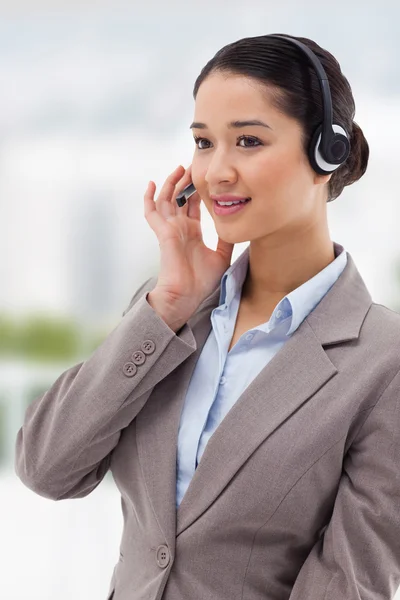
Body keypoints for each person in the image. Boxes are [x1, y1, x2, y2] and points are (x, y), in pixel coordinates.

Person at [14, 33, 400, 600]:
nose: (216, 171)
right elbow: (48, 469)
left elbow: (349, 584)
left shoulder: (383, 362)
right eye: (202, 141)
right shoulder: (172, 310)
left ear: (327, 154)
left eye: (247, 140)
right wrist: (166, 307)